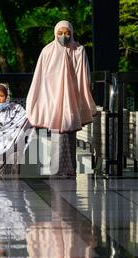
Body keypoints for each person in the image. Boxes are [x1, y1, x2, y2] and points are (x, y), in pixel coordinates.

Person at [26, 20, 97, 176]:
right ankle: (57, 170)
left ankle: (69, 170)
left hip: (72, 99)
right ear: (55, 33)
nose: (64, 36)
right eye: (60, 33)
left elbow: (84, 77)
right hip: (53, 99)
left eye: (67, 33)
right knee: (57, 134)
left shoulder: (79, 50)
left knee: (69, 132)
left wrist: (80, 98)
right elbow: (41, 77)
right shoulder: (47, 51)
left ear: (71, 33)